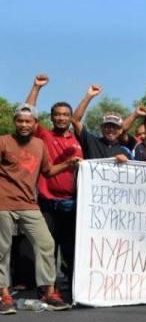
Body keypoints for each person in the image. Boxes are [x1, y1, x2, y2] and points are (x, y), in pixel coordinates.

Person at [0, 104, 80, 314]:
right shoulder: (4, 142)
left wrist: (68, 164)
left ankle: (48, 291)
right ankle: (4, 296)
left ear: (35, 123)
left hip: (28, 204)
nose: (24, 124)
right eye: (20, 120)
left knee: (46, 244)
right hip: (4, 204)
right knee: (3, 250)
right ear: (14, 122)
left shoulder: (38, 144)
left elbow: (47, 170)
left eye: (28, 121)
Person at [24, 74, 83, 286]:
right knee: (47, 246)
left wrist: (88, 96)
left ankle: (74, 285)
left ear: (70, 118)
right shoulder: (44, 136)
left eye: (65, 115)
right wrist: (36, 88)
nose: (61, 118)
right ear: (51, 117)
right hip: (48, 201)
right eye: (57, 115)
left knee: (71, 247)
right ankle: (47, 287)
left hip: (73, 203)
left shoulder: (78, 139)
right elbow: (27, 113)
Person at [71, 84, 131, 162]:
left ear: (120, 131)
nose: (111, 129)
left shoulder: (125, 151)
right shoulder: (91, 142)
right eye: (108, 126)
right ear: (101, 128)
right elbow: (75, 121)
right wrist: (89, 96)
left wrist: (126, 162)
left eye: (115, 127)